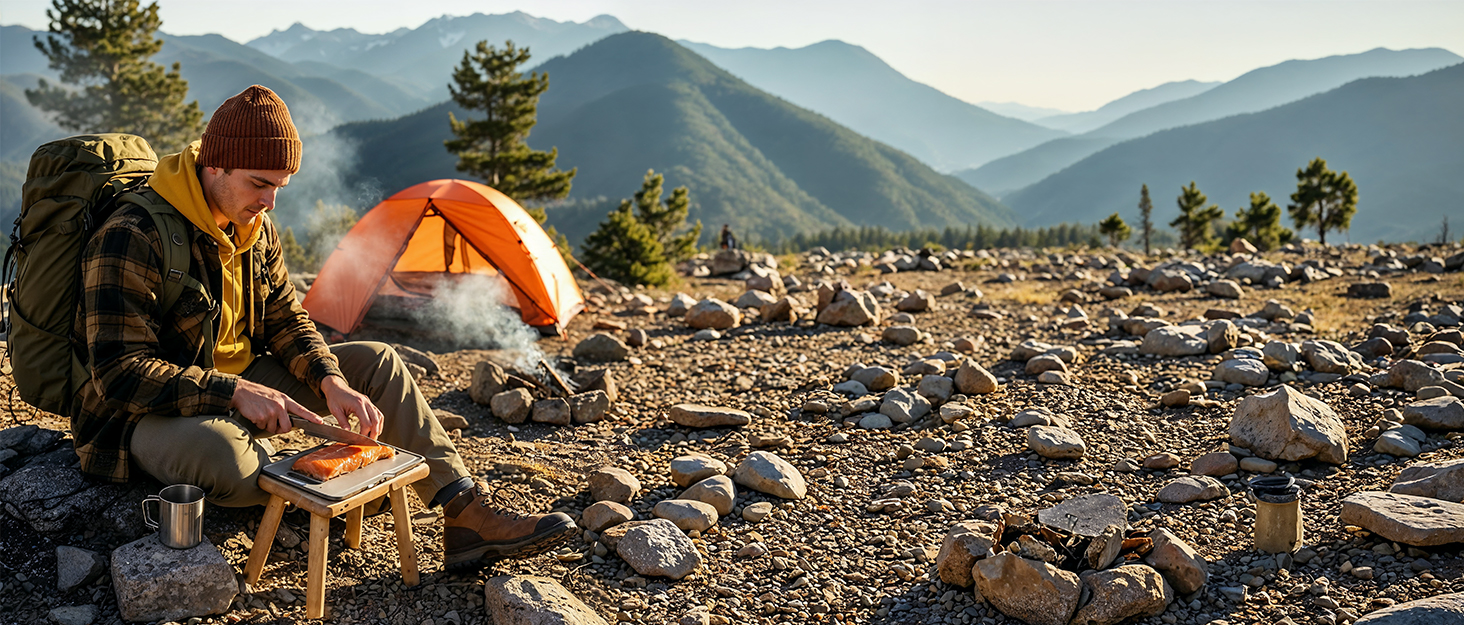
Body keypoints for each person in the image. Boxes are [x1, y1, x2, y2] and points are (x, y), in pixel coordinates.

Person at [70, 85, 575, 568]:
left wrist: (329, 380)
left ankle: (466, 515)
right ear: (214, 164)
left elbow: (286, 319)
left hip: (244, 388)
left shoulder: (253, 224)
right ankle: (320, 495)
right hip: (142, 413)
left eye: (280, 187)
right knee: (230, 463)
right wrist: (234, 392)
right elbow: (117, 371)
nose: (270, 204)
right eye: (259, 184)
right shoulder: (133, 235)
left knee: (377, 363)